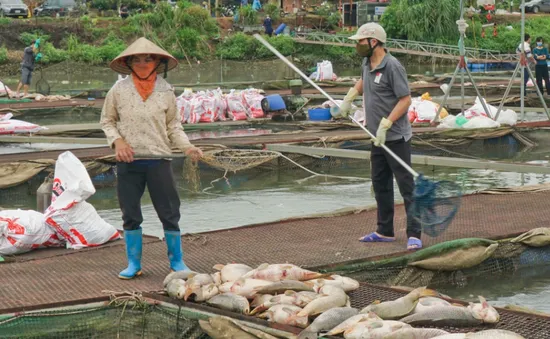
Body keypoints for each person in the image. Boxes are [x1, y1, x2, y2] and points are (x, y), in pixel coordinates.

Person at [100, 37, 204, 280]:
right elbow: (107, 121)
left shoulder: (166, 90)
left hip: (159, 159)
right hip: (129, 161)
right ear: (128, 63)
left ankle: (176, 261)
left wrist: (188, 148)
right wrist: (118, 141)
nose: (143, 63)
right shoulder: (118, 90)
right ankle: (134, 263)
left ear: (158, 62)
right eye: (137, 59)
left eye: (148, 59)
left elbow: (173, 126)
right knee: (130, 212)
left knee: (169, 211)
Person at [337, 23, 422, 250]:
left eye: (360, 41)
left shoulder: (393, 66)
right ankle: (385, 231)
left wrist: (387, 123)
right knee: (380, 184)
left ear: (373, 42)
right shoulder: (367, 62)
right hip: (376, 136)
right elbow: (365, 81)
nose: (357, 45)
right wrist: (350, 96)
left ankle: (414, 233)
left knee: (406, 186)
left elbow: (405, 99)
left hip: (395, 137)